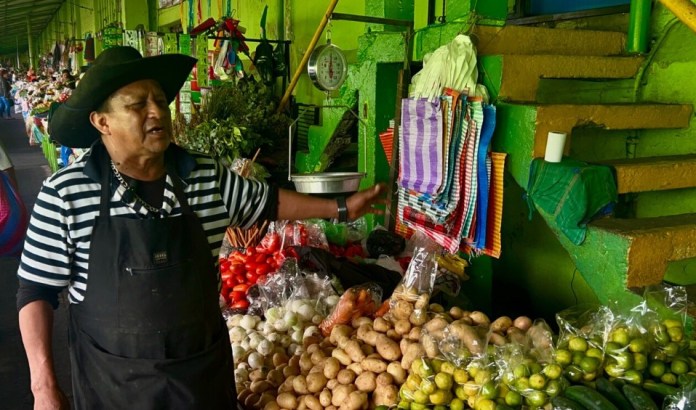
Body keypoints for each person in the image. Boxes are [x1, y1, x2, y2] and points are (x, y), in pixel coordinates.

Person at [16, 46, 385, 409]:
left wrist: (340, 207)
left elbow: (268, 202)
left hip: (200, 379)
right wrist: (43, 386)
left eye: (159, 100)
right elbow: (35, 291)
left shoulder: (204, 175)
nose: (156, 111)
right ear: (102, 122)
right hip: (113, 385)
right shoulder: (65, 194)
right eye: (137, 105)